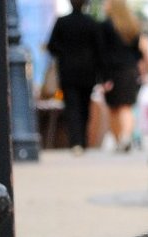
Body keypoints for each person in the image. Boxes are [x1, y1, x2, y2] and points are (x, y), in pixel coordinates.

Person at [46, 0, 102, 155]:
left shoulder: (62, 22)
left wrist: (64, 53)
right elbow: (99, 49)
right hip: (87, 72)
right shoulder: (91, 23)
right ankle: (82, 141)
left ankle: (75, 141)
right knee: (84, 107)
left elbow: (52, 46)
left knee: (72, 107)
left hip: (68, 72)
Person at [100, 0, 148, 153]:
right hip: (130, 69)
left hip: (113, 71)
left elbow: (102, 52)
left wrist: (103, 76)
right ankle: (125, 137)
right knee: (126, 106)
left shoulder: (106, 26)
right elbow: (139, 52)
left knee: (115, 107)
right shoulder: (132, 25)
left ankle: (120, 139)